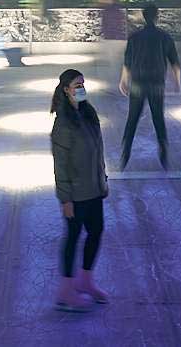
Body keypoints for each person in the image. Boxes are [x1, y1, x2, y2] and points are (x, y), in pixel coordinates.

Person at [50, 68, 109, 312]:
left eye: (83, 84)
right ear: (66, 90)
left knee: (96, 231)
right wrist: (66, 200)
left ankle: (85, 281)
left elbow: (98, 151)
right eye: (77, 85)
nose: (82, 88)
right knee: (73, 237)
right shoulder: (63, 123)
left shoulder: (88, 113)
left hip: (94, 189)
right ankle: (65, 292)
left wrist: (102, 180)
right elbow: (60, 166)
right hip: (75, 194)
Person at [118, 4, 181, 170]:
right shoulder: (164, 37)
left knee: (132, 119)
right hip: (156, 84)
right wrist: (177, 82)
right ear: (157, 16)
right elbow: (174, 62)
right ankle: (163, 151)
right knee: (158, 118)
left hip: (138, 83)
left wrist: (123, 80)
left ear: (143, 16)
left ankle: (126, 151)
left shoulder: (134, 37)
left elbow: (127, 62)